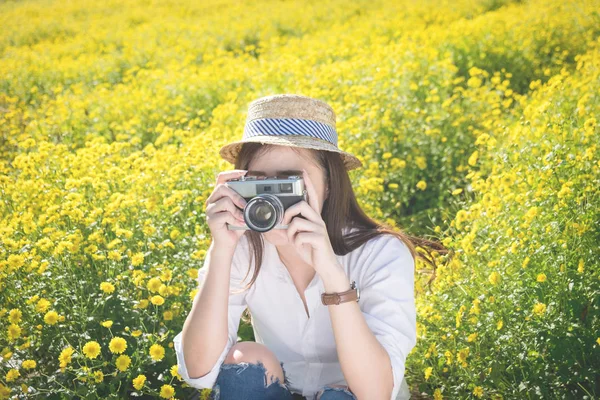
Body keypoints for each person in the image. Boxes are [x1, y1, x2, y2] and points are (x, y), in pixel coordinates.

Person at [173, 94, 445, 400]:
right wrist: (220, 249)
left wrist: (331, 272)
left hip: (354, 394)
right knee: (244, 360)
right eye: (260, 183)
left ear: (328, 184)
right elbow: (198, 371)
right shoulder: (241, 247)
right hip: (278, 388)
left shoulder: (380, 252)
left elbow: (375, 392)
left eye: (288, 183)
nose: (273, 201)